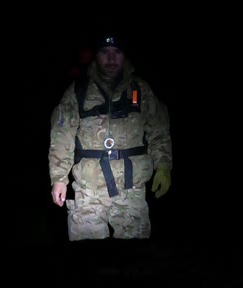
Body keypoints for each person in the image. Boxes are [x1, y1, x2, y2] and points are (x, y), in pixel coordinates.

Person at [48, 34, 173, 241]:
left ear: (124, 57)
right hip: (88, 191)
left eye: (117, 52)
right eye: (105, 53)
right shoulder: (78, 90)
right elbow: (62, 136)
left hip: (131, 190)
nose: (111, 59)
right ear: (96, 56)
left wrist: (163, 166)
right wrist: (59, 178)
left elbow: (158, 130)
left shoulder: (140, 90)